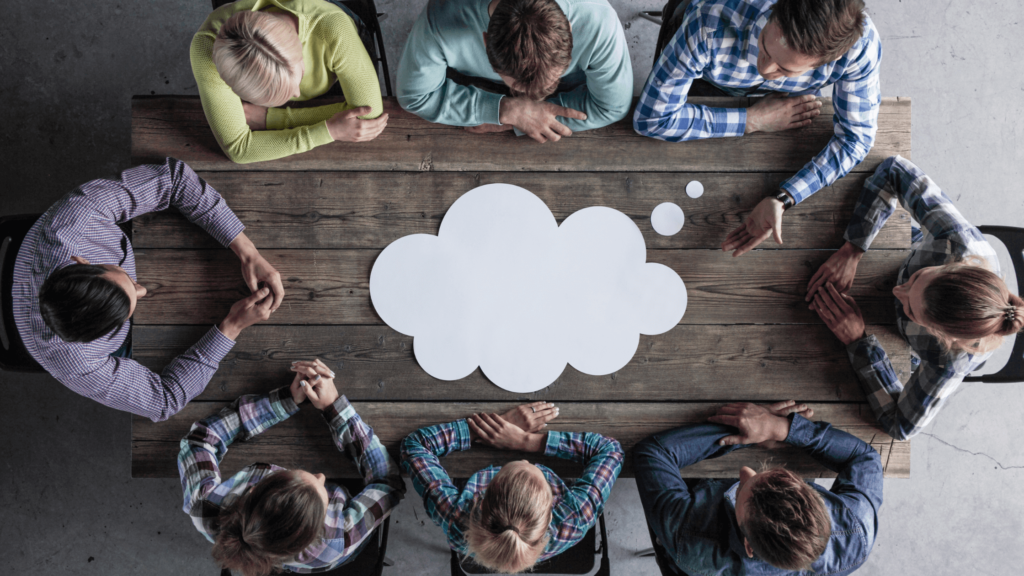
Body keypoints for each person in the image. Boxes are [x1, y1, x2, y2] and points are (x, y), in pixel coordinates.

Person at [12, 158, 284, 422]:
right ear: (92, 337)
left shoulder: (77, 218)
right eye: (126, 313)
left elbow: (174, 179)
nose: (142, 291)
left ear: (82, 261)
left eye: (129, 284)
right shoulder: (75, 360)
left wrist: (248, 253)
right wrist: (232, 326)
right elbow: (164, 400)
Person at [633, 0, 882, 256]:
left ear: (830, 60)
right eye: (764, 44)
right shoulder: (707, 23)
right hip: (708, 82)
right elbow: (652, 120)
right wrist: (751, 120)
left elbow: (856, 140)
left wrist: (784, 197)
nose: (763, 69)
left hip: (789, 102)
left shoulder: (859, 48)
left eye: (784, 68)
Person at [805, 155, 1024, 440]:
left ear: (943, 335)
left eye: (911, 310)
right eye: (918, 278)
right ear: (953, 265)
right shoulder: (960, 241)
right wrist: (853, 248)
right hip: (897, 251)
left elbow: (900, 427)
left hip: (894, 341)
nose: (899, 292)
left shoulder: (952, 360)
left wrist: (858, 342)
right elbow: (895, 169)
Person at [179, 359, 405, 576]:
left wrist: (284, 400)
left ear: (253, 490)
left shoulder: (205, 507)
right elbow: (389, 482)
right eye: (323, 494)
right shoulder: (337, 539)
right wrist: (334, 407)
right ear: (315, 532)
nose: (321, 476)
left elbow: (200, 440)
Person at [634, 400, 882, 576]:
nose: (745, 471)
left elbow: (653, 454)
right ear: (815, 498)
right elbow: (865, 459)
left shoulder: (689, 539)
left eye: (739, 491)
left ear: (748, 546)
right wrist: (779, 428)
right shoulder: (856, 534)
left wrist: (743, 432)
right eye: (773, 473)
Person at [401, 402, 622, 573]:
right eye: (533, 468)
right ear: (552, 504)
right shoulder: (574, 518)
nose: (526, 461)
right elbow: (610, 450)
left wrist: (486, 429)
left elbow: (415, 445)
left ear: (485, 490)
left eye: (519, 463)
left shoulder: (457, 518)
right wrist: (526, 441)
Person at [397, 0, 633, 143]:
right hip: (475, 83)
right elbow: (415, 96)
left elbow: (612, 106)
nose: (533, 97)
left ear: (570, 30)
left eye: (554, 77)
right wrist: (504, 109)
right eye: (518, 87)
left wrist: (517, 121)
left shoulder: (600, 20)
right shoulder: (441, 17)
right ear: (486, 42)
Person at [191, 0, 388, 163]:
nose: (296, 94)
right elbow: (238, 150)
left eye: (300, 76)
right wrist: (328, 130)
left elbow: (368, 115)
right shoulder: (205, 47)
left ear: (300, 48)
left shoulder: (332, 28)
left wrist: (271, 118)